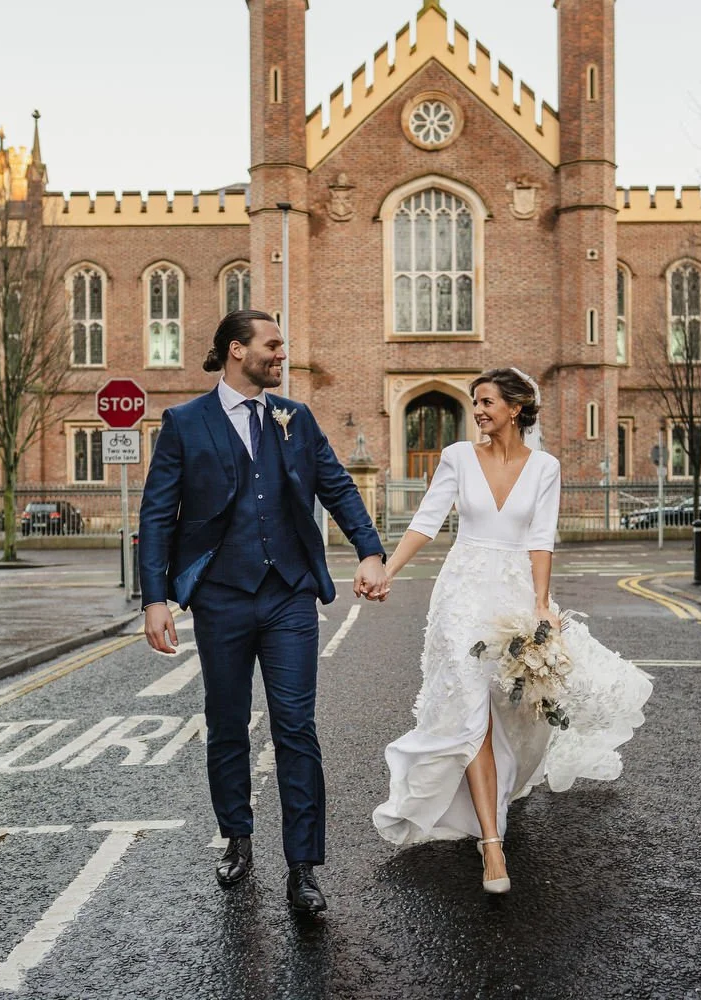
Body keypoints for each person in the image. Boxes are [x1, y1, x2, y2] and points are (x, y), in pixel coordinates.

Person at [138, 310, 388, 915]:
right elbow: (156, 514)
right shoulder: (184, 423)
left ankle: (303, 867)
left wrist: (372, 550)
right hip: (220, 597)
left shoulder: (294, 418)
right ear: (235, 351)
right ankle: (237, 837)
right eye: (273, 345)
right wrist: (155, 598)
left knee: (295, 727)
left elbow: (336, 485)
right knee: (226, 724)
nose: (282, 354)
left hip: (289, 595)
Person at [369, 368, 653, 893]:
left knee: (515, 708)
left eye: (487, 402)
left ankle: (500, 794)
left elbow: (541, 538)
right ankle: (491, 846)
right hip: (461, 594)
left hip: (514, 593)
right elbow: (426, 523)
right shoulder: (457, 458)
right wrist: (386, 569)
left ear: (516, 408)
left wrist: (542, 605)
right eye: (475, 402)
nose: (478, 410)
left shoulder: (545, 467)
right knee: (472, 708)